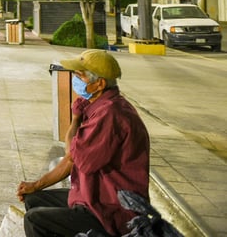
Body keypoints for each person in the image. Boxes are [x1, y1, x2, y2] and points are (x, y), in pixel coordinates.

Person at [17, 49, 150, 237]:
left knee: (35, 220)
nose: (75, 80)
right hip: (95, 197)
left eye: (80, 76)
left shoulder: (109, 114)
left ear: (99, 84)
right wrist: (36, 185)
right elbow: (72, 157)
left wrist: (75, 119)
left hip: (112, 211)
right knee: (35, 199)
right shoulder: (100, 107)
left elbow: (76, 158)